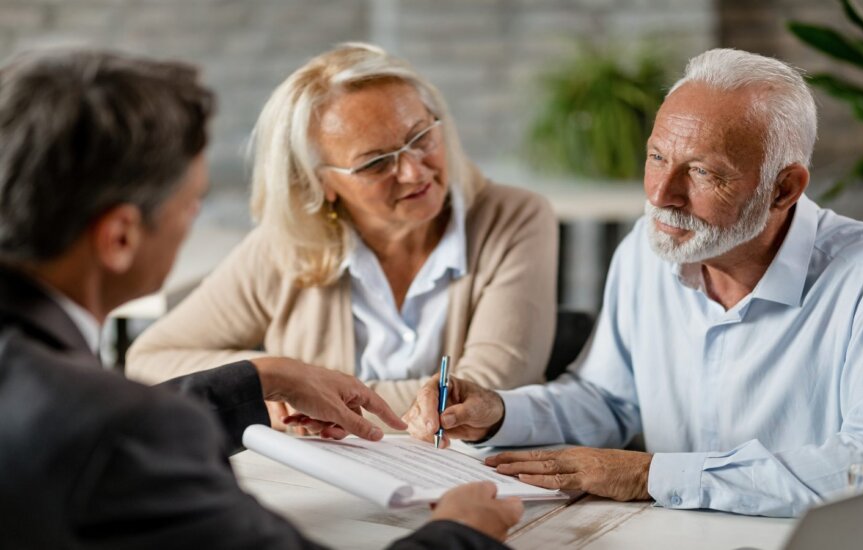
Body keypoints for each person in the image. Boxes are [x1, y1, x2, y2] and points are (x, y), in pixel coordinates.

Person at [0, 49, 523, 549]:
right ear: (119, 238)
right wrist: (464, 535)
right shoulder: (128, 433)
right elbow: (117, 432)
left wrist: (263, 378)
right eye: (193, 203)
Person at [404, 48, 863, 518]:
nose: (662, 195)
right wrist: (498, 412)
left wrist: (653, 475)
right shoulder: (647, 248)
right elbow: (609, 399)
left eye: (703, 172)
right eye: (657, 157)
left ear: (784, 188)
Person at [124, 42, 558, 430]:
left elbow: (483, 397)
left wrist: (310, 395)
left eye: (421, 137)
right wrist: (275, 378)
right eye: (375, 163)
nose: (413, 171)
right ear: (320, 183)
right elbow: (149, 361)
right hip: (322, 486)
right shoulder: (286, 245)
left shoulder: (515, 217)